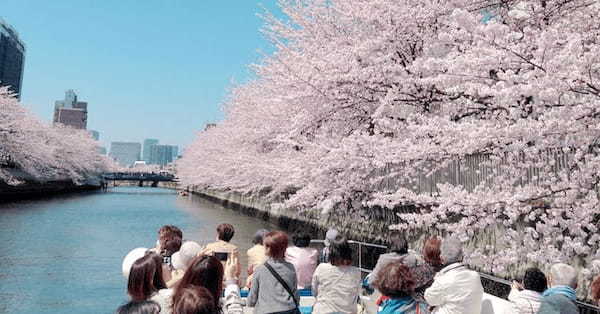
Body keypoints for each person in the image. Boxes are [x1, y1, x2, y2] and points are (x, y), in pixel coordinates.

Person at [424, 236, 483, 314]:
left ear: (442, 259)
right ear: (462, 256)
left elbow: (429, 299)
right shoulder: (475, 276)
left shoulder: (444, 280)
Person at [248, 231, 299, 314]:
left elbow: (253, 297)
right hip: (289, 309)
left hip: (266, 311)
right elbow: (295, 292)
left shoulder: (260, 269)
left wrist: (250, 303)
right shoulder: (290, 267)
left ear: (268, 248)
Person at [173, 254, 244, 314]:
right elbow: (236, 311)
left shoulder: (171, 302)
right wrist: (231, 280)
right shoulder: (209, 309)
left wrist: (196, 264)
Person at [312, 237, 362, 314]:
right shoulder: (356, 272)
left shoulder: (321, 268)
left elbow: (314, 291)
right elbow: (357, 294)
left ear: (330, 252)